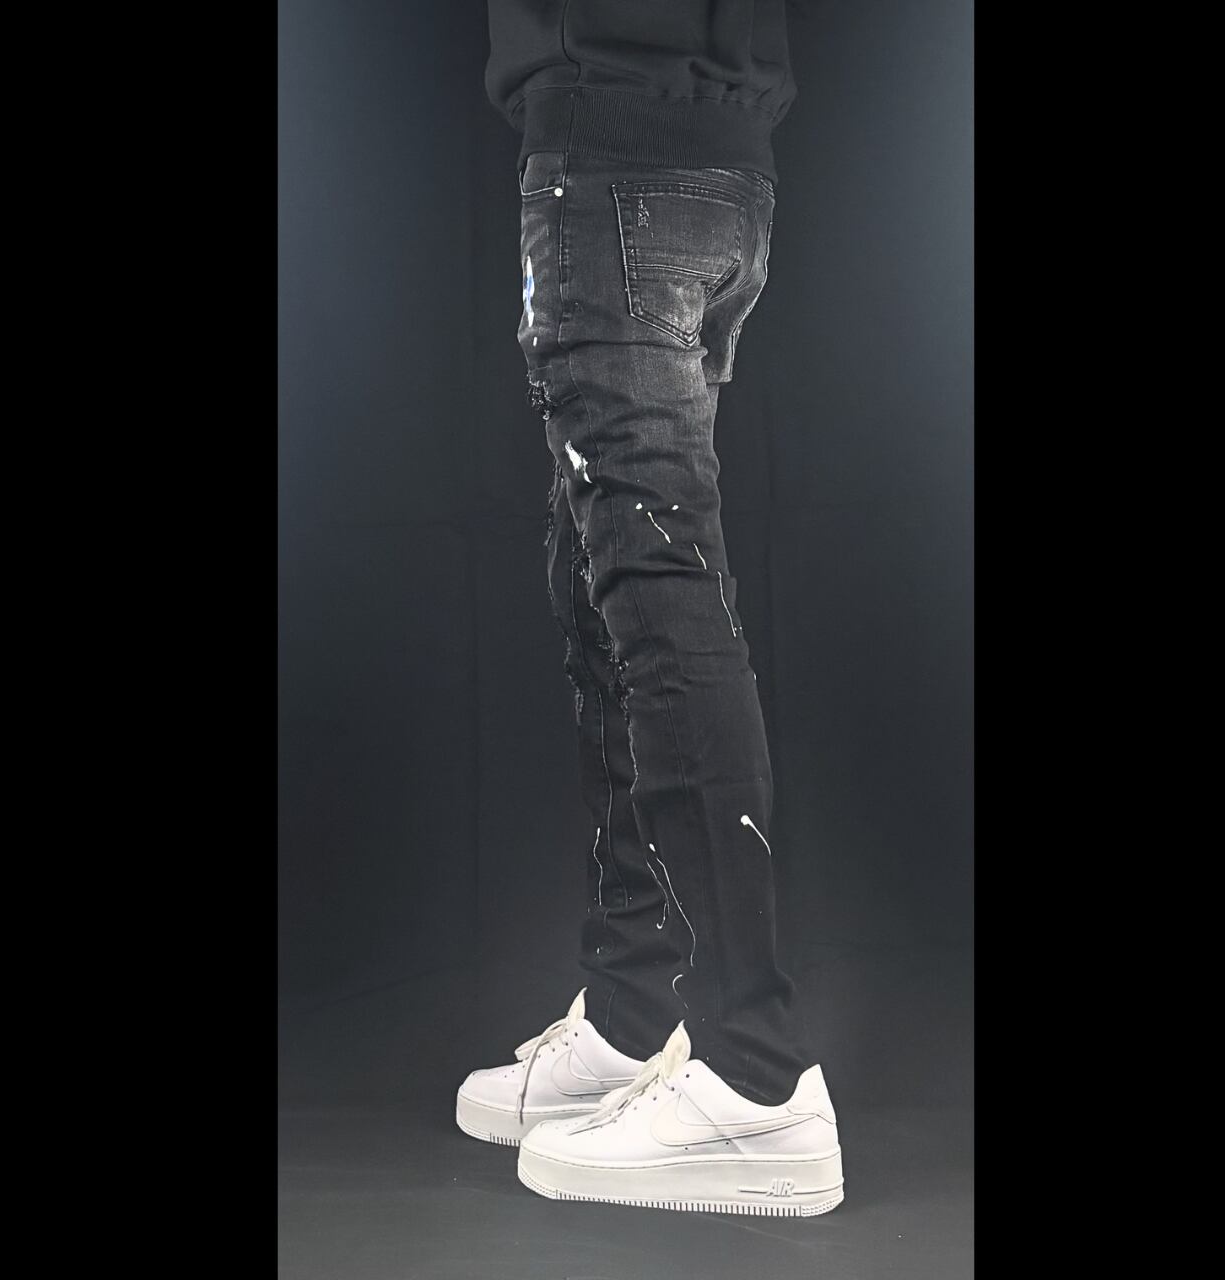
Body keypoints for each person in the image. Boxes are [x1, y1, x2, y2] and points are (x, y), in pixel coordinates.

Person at [456, 0, 843, 1216]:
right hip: (714, 161)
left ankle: (752, 1071)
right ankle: (637, 1007)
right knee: (607, 578)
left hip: (613, 146)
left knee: (653, 585)